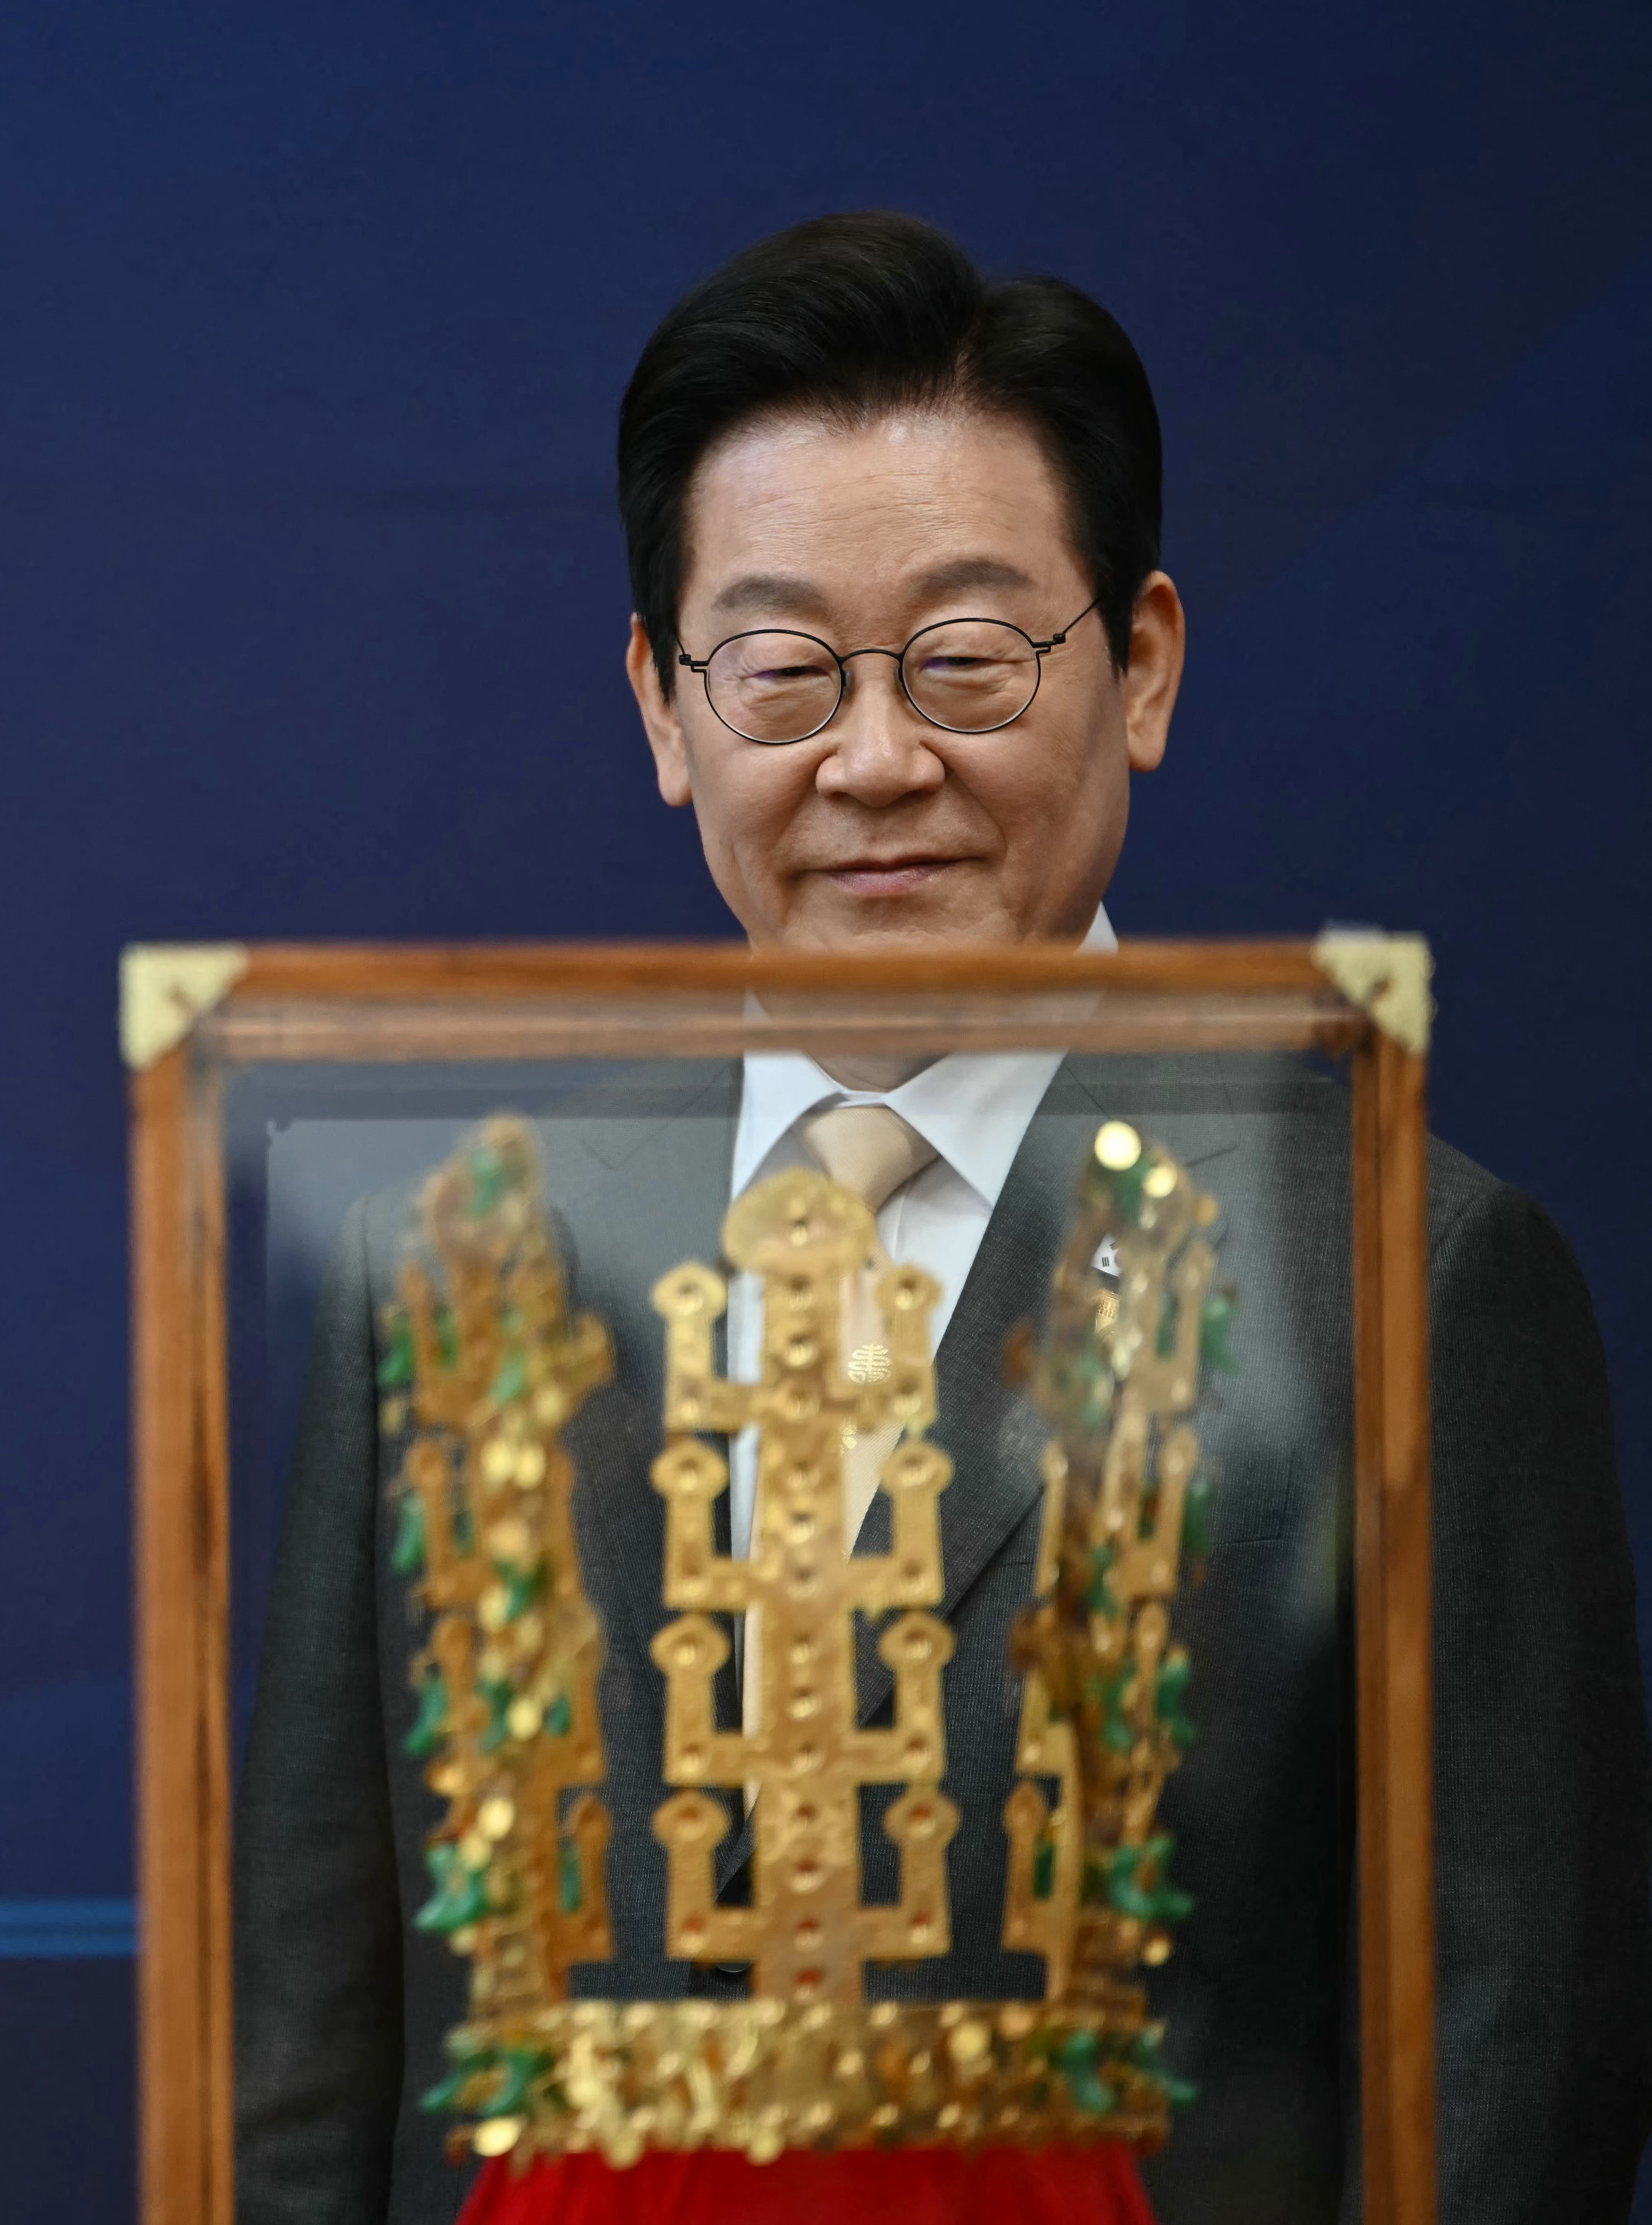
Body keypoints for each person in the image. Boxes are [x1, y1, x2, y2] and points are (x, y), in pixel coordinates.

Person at [234, 212, 1652, 2223]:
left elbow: (1506, 2073)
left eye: (969, 659)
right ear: (661, 708)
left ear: (1140, 667)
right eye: (783, 668)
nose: (877, 760)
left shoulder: (1414, 1282)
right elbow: (311, 2048)